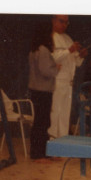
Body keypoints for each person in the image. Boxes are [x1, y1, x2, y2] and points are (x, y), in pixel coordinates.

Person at [49, 15, 86, 139]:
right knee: (55, 111)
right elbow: (53, 58)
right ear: (54, 21)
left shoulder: (67, 38)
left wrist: (81, 55)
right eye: (61, 22)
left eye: (66, 22)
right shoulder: (51, 37)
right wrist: (69, 50)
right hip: (57, 80)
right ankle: (53, 139)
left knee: (65, 113)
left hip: (68, 81)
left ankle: (63, 139)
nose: (64, 25)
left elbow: (75, 62)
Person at [28, 21, 60, 160]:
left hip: (39, 90)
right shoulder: (43, 50)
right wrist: (56, 68)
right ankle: (37, 154)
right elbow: (45, 70)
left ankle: (43, 153)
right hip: (42, 90)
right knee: (42, 122)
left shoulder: (36, 49)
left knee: (42, 121)